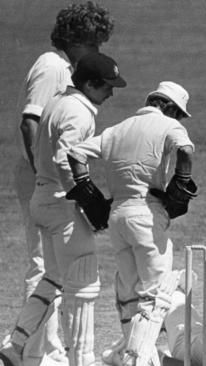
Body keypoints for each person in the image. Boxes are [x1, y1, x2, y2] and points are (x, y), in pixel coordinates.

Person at [0, 52, 126, 366]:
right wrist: (89, 198)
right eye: (107, 86)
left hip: (42, 199)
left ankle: (16, 344)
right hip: (62, 204)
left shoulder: (57, 101)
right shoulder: (78, 111)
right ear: (90, 83)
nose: (111, 93)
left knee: (53, 277)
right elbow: (65, 159)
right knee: (83, 284)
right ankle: (81, 361)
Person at [65, 81, 197, 366]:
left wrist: (86, 188)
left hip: (117, 217)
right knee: (157, 295)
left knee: (129, 296)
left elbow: (75, 154)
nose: (178, 119)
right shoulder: (169, 126)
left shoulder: (116, 129)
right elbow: (186, 152)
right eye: (178, 113)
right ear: (169, 106)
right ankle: (134, 361)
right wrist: (182, 181)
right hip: (147, 214)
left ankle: (144, 359)